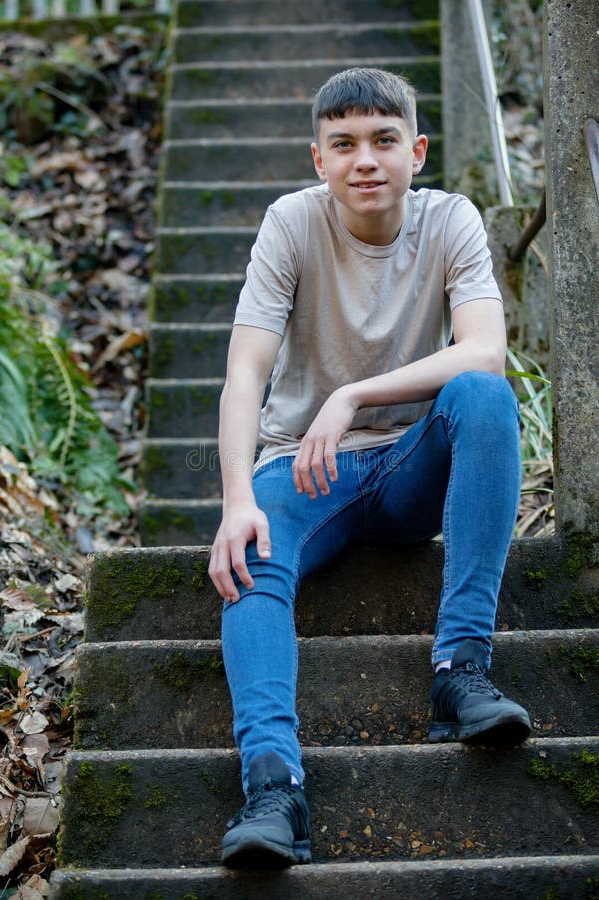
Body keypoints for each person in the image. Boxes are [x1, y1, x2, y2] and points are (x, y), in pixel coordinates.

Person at [208, 67, 532, 870]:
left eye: (385, 141)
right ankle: (273, 786)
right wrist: (237, 498)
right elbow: (244, 373)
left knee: (484, 398)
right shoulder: (289, 224)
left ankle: (461, 671)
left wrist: (352, 393)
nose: (366, 160)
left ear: (415, 151)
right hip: (303, 473)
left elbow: (485, 350)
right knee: (251, 562)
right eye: (344, 144)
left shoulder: (451, 220)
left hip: (411, 467)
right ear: (317, 158)